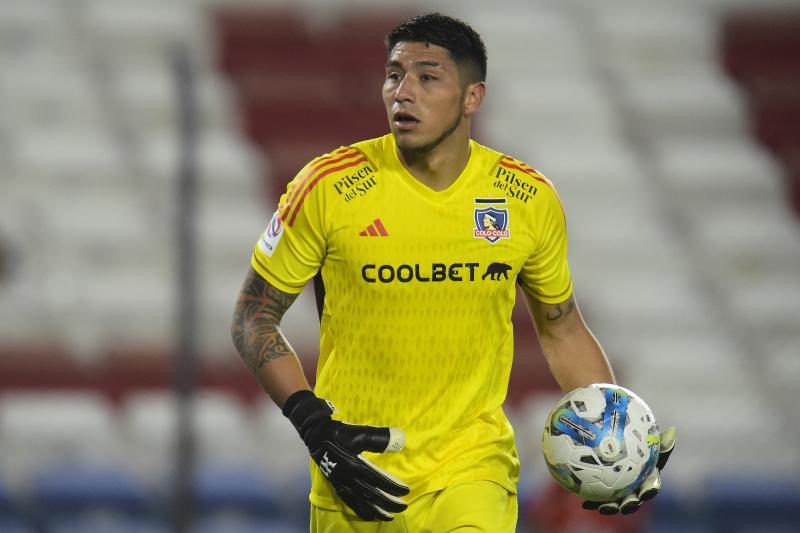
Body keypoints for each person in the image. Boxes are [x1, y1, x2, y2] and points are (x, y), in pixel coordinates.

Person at [231, 12, 676, 532]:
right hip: (354, 475)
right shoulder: (328, 189)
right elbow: (252, 318)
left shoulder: (526, 199)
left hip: (471, 469)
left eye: (427, 77)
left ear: (472, 98)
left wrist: (615, 443)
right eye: (394, 74)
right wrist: (313, 427)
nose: (403, 92)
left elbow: (562, 328)